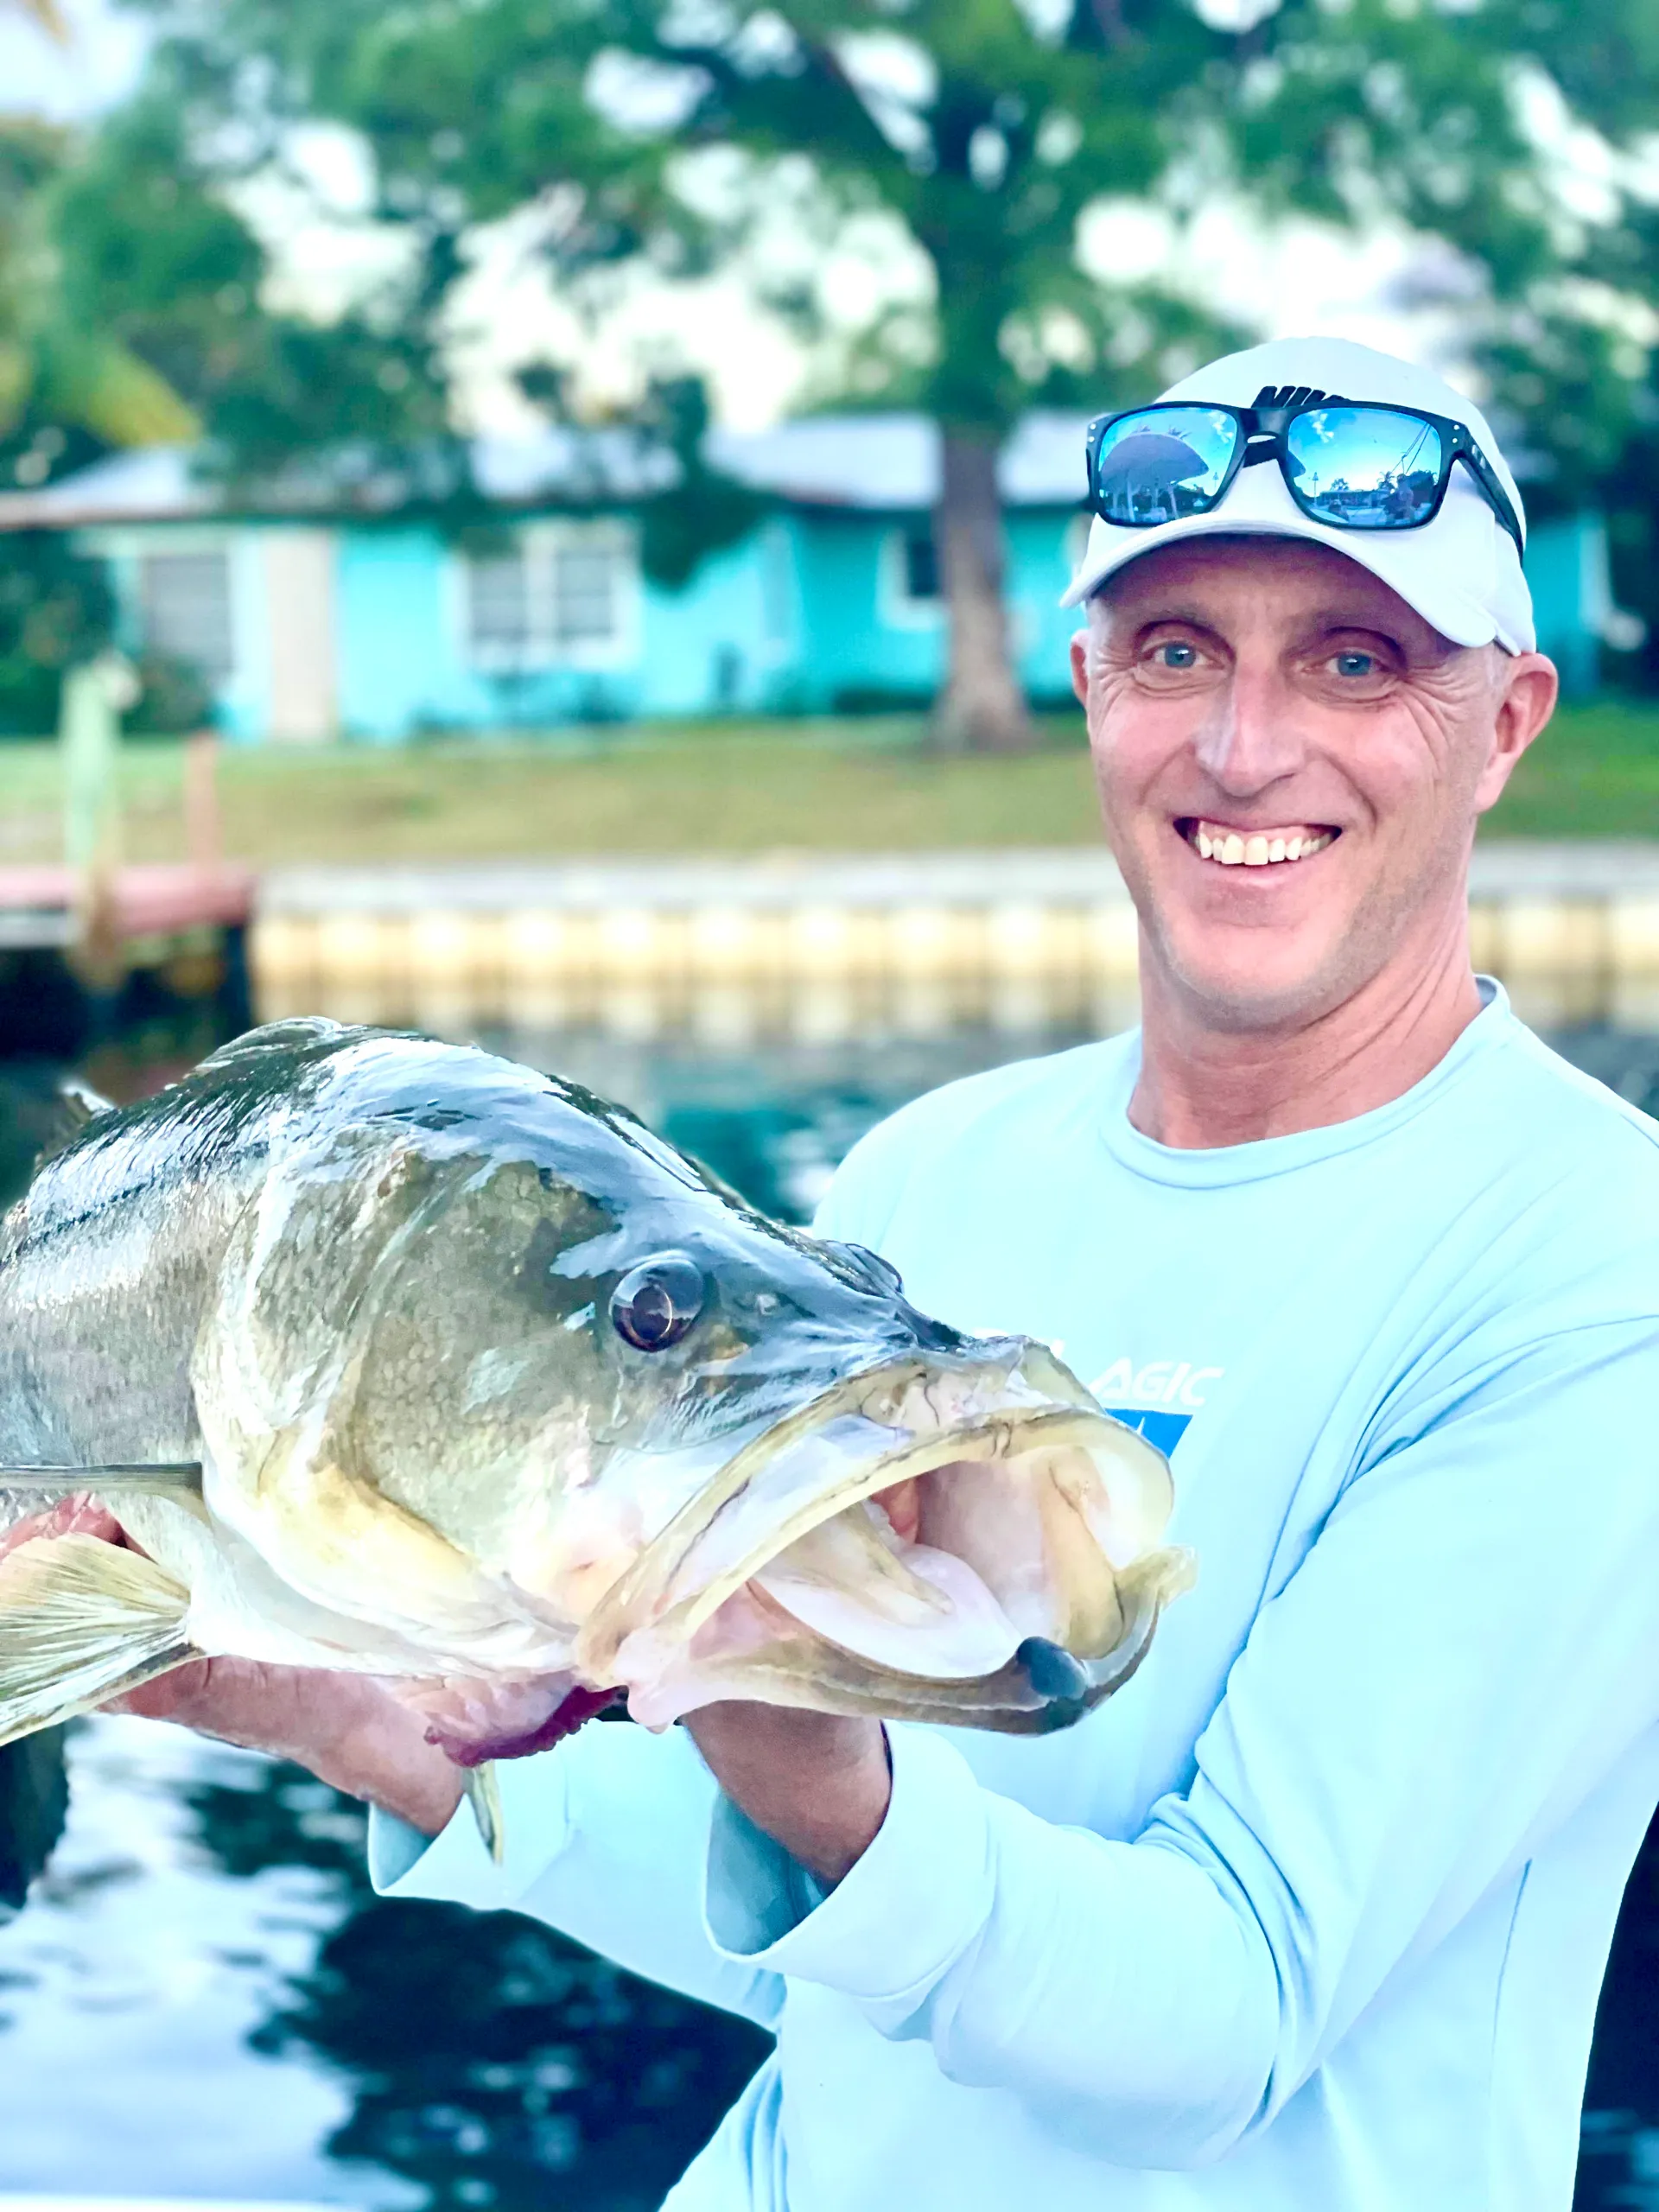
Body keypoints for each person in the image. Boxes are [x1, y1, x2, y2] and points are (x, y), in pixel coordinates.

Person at [118, 335, 1659, 2210]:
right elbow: (835, 1943)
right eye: (1178, 650)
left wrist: (836, 1789)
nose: (1249, 746)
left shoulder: (1589, 1265)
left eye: (1357, 659)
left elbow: (1231, 2011)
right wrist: (343, 1713)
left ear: (1506, 723)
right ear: (1090, 683)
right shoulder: (937, 1168)